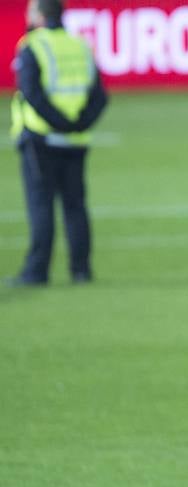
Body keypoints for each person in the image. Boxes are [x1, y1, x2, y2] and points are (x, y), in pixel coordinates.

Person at [7, 0, 108, 288]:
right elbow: (100, 96)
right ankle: (81, 269)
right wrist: (78, 123)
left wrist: (58, 123)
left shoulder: (32, 46)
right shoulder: (79, 46)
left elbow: (31, 94)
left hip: (41, 138)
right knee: (75, 206)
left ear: (39, 15)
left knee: (41, 205)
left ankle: (37, 271)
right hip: (75, 140)